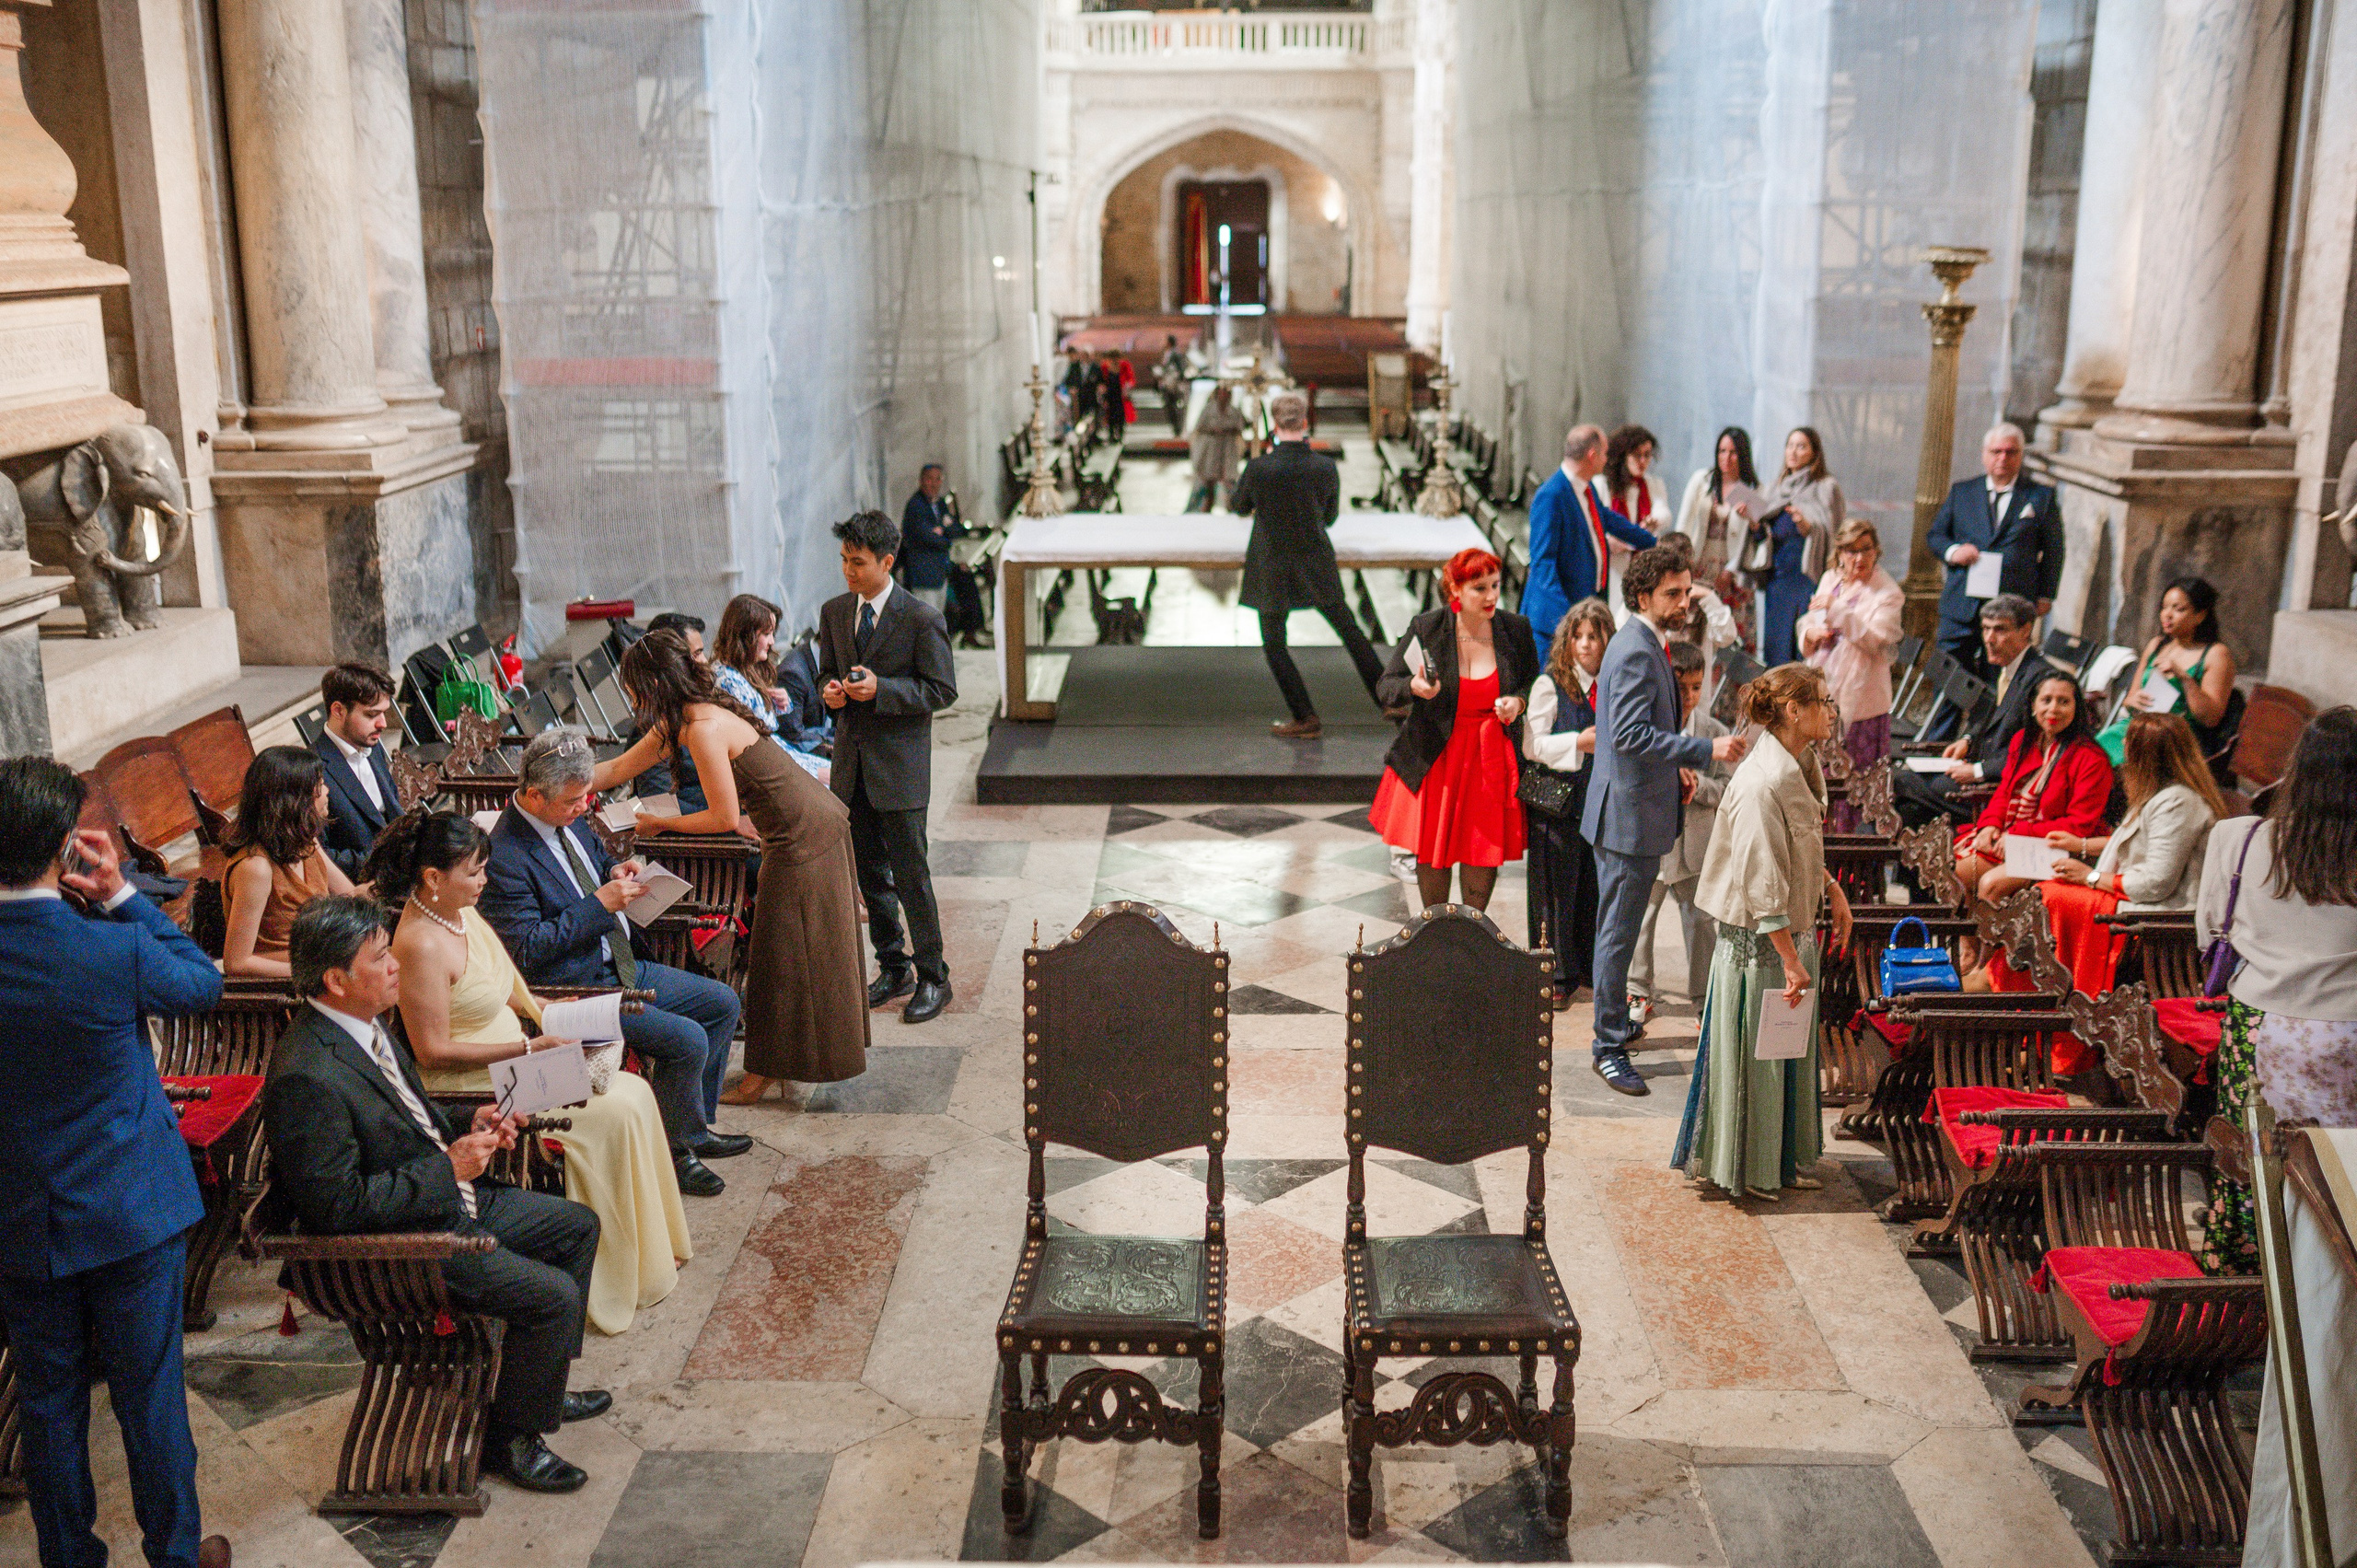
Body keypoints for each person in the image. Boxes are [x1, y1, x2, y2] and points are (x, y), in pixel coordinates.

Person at [265, 895, 606, 1495]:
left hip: (439, 1199)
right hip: (398, 1246)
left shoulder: (362, 1024)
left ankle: (541, 1383)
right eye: (380, 958)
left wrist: (465, 1119)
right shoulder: (305, 1074)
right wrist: (448, 1169)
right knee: (551, 1296)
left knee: (576, 1225)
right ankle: (514, 1440)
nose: (397, 965)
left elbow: (405, 1118)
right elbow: (337, 1209)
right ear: (336, 978)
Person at [0, 759, 230, 1568]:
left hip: (21, 1218)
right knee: (149, 1399)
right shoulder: (109, 948)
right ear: (66, 848)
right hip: (131, 1208)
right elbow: (205, 983)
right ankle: (172, 1554)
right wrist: (124, 896)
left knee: (49, 1404)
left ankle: (69, 1558)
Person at [369, 811, 691, 1333]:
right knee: (608, 1114)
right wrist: (526, 1046)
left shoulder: (460, 912)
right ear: (433, 877)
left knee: (633, 1092)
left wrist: (559, 1019)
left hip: (519, 1053)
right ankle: (611, 1274)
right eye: (474, 872)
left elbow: (514, 985)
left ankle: (647, 1254)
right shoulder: (419, 943)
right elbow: (430, 1052)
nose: (484, 882)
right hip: (477, 1079)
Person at [598, 632, 868, 1104]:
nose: (631, 699)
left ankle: (762, 1074)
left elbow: (723, 818)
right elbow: (615, 770)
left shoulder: (702, 727)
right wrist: (547, 779)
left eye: (633, 687)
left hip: (806, 835)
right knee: (781, 953)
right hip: (797, 829)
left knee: (780, 956)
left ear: (654, 685)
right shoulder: (678, 721)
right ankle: (778, 1067)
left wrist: (661, 823)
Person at [480, 727, 751, 1185]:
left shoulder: (568, 816)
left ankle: (693, 1126)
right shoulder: (505, 855)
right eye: (572, 801)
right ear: (533, 795)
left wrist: (613, 869)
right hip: (575, 989)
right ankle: (674, 1153)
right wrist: (598, 905)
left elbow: (584, 864)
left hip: (622, 962)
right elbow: (526, 952)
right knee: (686, 1040)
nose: (584, 807)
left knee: (721, 1003)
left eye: (586, 796)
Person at [1673, 662, 1852, 1200]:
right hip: (1760, 948)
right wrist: (1791, 958)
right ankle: (1747, 1169)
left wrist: (1830, 889)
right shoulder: (1761, 780)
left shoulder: (1799, 763)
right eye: (1824, 701)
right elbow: (1760, 877)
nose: (1832, 712)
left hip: (1791, 938)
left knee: (1786, 1059)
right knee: (1759, 1061)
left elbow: (1793, 846)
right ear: (1794, 711)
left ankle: (1779, 1159)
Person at [2195, 707, 2357, 1272]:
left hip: (2260, 1027)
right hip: (2348, 1035)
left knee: (2255, 1163)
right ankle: (2329, 1283)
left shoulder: (2237, 840)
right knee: (2340, 1179)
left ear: (2298, 769)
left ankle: (2250, 1284)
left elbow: (2211, 928)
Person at [1585, 544, 1750, 1096]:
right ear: (1642, 596)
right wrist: (1705, 751)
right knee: (1618, 933)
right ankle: (1608, 1046)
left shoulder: (1645, 642)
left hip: (1634, 804)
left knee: (1621, 928)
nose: (1684, 602)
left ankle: (1614, 1025)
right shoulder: (1634, 650)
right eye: (1672, 594)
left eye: (1686, 591)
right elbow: (1629, 736)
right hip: (1628, 817)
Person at [1980, 714, 2222, 1074]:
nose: (2121, 760)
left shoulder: (2178, 803)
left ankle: (2045, 1017)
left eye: (2127, 751)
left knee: (2051, 898)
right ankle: (2012, 993)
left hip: (2155, 916)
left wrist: (2090, 876)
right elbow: (2138, 848)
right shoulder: (2162, 795)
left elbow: (2156, 882)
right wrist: (2081, 847)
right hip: (2132, 901)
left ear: (2144, 756)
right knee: (2049, 892)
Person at [818, 509, 960, 1022]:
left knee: (911, 875)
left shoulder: (921, 618)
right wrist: (830, 692)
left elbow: (942, 689)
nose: (848, 572)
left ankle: (933, 977)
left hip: (899, 770)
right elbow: (826, 674)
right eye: (843, 561)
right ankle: (893, 965)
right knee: (871, 878)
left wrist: (884, 690)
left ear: (887, 561)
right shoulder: (835, 612)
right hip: (851, 767)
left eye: (857, 563)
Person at [1371, 548, 1538, 913]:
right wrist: (1413, 688)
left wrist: (1518, 702)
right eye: (1480, 588)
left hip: (1490, 757)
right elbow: (1387, 686)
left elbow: (1533, 683)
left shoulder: (1515, 629)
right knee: (1435, 850)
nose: (1492, 596)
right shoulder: (1428, 628)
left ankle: (1472, 938)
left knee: (1482, 850)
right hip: (1439, 756)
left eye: (1496, 585)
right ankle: (1435, 937)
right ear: (1455, 590)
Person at [1232, 389, 1387, 738]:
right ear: (1305, 423)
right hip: (1315, 560)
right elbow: (1329, 516)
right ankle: (1388, 700)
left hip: (1272, 564)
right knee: (1350, 633)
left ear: (1274, 425)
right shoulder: (1325, 466)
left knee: (1274, 644)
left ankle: (1305, 716)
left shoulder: (1259, 468)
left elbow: (1239, 506)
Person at [1630, 639, 1731, 1022]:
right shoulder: (1648, 728)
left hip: (1694, 848)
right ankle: (1637, 990)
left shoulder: (1714, 730)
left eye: (1695, 687)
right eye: (1680, 687)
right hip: (1653, 843)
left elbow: (1727, 788)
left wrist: (1699, 786)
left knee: (1702, 923)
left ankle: (1704, 994)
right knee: (1641, 917)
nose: (1688, 697)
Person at [1952, 668, 2113, 906]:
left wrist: (2019, 833)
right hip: (2013, 838)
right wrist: (1990, 825)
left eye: (2064, 702)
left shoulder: (2091, 758)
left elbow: (2080, 825)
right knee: (1953, 873)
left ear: (2077, 708)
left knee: (1990, 884)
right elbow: (2005, 792)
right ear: (2033, 706)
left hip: (2060, 849)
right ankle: (1969, 945)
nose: (2053, 709)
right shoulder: (2024, 740)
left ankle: (1996, 944)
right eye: (2046, 700)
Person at [1523, 598, 1613, 1009]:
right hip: (1556, 804)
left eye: (1593, 636)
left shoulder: (1611, 685)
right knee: (1554, 892)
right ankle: (1553, 974)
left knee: (1591, 888)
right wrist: (1578, 742)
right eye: (1578, 636)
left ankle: (1588, 969)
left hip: (1598, 801)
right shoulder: (1551, 685)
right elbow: (1533, 745)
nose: (1585, 645)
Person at [1925, 423, 2063, 679]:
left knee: (1999, 682)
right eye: (1996, 451)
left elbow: (2054, 550)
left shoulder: (2040, 496)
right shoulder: (1963, 492)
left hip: (2011, 607)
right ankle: (1942, 722)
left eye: (2010, 452)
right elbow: (1935, 536)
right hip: (1961, 606)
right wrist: (1953, 551)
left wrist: (2046, 594)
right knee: (1949, 681)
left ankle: (1989, 721)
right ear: (1984, 454)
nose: (2003, 458)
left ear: (2020, 455)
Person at [1892, 594, 2045, 825]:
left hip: (1995, 788)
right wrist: (1968, 739)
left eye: (2000, 630)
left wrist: (1979, 771)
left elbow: (2037, 751)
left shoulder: (2040, 679)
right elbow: (1991, 718)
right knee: (1906, 810)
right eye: (1985, 629)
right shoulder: (2007, 667)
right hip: (1976, 772)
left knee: (1898, 782)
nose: (1989, 639)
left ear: (2026, 631)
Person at [1522, 424, 1656, 666]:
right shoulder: (1551, 495)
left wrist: (1653, 543)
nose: (1607, 459)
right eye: (1605, 453)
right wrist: (1568, 619)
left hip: (1581, 609)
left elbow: (1607, 519)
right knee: (1548, 690)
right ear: (1592, 455)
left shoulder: (1586, 487)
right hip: (1556, 620)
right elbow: (1543, 564)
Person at [1798, 517, 1906, 817]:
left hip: (1861, 705)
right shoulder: (1832, 578)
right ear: (1840, 552)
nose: (1859, 558)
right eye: (1851, 550)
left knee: (1851, 790)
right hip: (1821, 689)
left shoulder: (1888, 593)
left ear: (1876, 551)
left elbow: (1877, 640)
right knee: (1814, 782)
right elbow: (1810, 618)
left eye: (1866, 549)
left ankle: (1848, 855)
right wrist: (1809, 634)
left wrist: (1838, 611)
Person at [223, 744, 357, 977]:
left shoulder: (305, 842)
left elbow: (351, 898)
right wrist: (320, 974)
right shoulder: (256, 868)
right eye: (320, 786)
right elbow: (237, 963)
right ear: (295, 800)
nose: (327, 791)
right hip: (289, 989)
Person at [2095, 575, 2240, 781]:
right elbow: (2131, 697)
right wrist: (2132, 700)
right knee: (2092, 753)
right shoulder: (2157, 645)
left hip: (2177, 738)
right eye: (2164, 607)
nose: (2167, 615)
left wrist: (2184, 678)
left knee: (2120, 767)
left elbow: (2210, 718)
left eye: (2178, 609)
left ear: (2200, 615)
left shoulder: (2216, 654)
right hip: (2139, 725)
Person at [1743, 426, 1842, 666]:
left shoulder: (1826, 486)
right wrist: (1755, 526)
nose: (1793, 452)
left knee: (1802, 649)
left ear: (1814, 452)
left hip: (1807, 577)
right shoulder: (1775, 489)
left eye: (1801, 446)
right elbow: (1765, 538)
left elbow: (1834, 531)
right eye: (1790, 445)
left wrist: (1809, 528)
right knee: (1776, 649)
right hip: (1778, 580)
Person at [1672, 425, 1759, 656]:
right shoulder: (1703, 480)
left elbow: (1757, 539)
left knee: (1731, 634)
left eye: (1733, 453)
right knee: (1698, 628)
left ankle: (1730, 691)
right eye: (1722, 451)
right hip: (1700, 564)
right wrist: (1679, 564)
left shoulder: (1750, 489)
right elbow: (1683, 523)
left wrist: (1731, 570)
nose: (1727, 458)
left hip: (1733, 571)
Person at [314, 661, 401, 878]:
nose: (382, 723)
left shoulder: (372, 745)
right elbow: (319, 854)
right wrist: (382, 866)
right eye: (372, 715)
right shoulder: (312, 769)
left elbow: (392, 813)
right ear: (338, 711)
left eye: (384, 713)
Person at [636, 611, 710, 811]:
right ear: (671, 659)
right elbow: (657, 803)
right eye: (696, 654)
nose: (704, 661)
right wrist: (723, 817)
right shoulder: (654, 722)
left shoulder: (697, 700)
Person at [1604, 424, 1671, 610]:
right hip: (1612, 569)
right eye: (1636, 455)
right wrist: (1609, 541)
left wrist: (1654, 520)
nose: (1643, 461)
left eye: (1647, 455)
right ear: (1623, 456)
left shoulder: (1653, 484)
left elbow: (1664, 512)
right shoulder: (1603, 485)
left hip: (1643, 569)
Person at [897, 464, 966, 613]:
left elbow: (956, 529)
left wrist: (942, 530)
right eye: (929, 479)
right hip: (923, 576)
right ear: (921, 481)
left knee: (937, 617)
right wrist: (945, 538)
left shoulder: (939, 503)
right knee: (926, 619)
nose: (933, 484)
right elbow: (926, 537)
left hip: (939, 573)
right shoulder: (916, 506)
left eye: (938, 479)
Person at [1188, 384, 1247, 512]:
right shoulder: (1209, 410)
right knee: (1209, 479)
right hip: (1211, 448)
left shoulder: (1234, 411)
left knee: (1228, 479)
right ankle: (1206, 505)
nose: (1223, 396)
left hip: (1227, 448)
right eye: (1221, 393)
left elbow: (1240, 428)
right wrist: (1213, 430)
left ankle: (1231, 506)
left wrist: (1228, 431)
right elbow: (1200, 427)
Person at [1156, 333, 1191, 435]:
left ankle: (1177, 428)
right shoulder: (1167, 354)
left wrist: (1178, 379)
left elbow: (1180, 369)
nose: (1162, 342)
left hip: (1173, 384)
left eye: (1164, 340)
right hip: (1168, 383)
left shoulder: (1175, 354)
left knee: (1174, 406)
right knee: (1169, 406)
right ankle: (1175, 427)